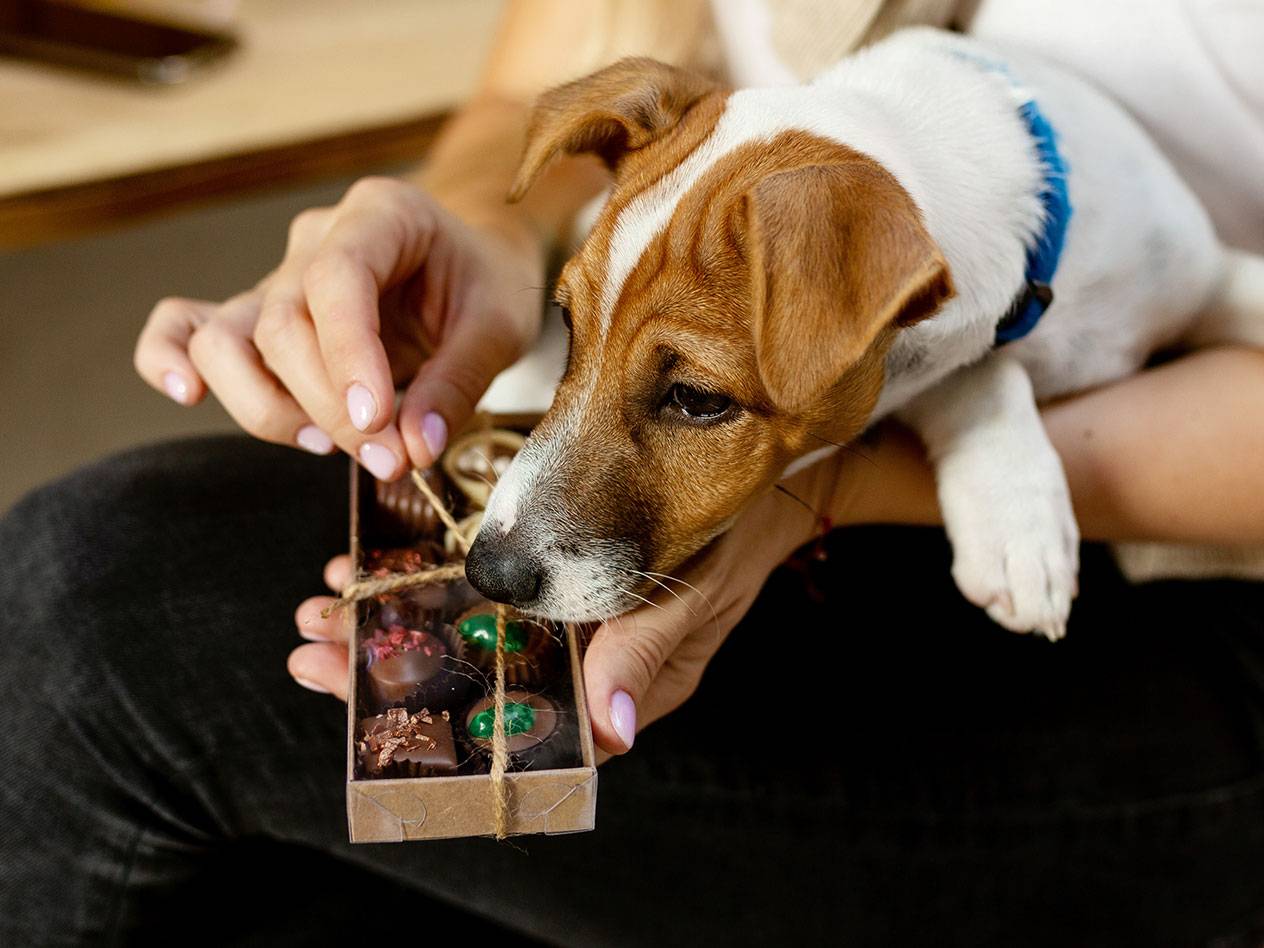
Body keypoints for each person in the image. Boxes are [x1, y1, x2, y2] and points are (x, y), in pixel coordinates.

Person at [2, 1, 1262, 944]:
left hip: (1149, 603)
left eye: (692, 393)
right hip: (826, 344)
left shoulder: (1081, 247)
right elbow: (548, 85)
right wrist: (479, 219)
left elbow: (901, 311)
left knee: (102, 630)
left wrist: (862, 472)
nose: (519, 534)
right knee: (124, 610)